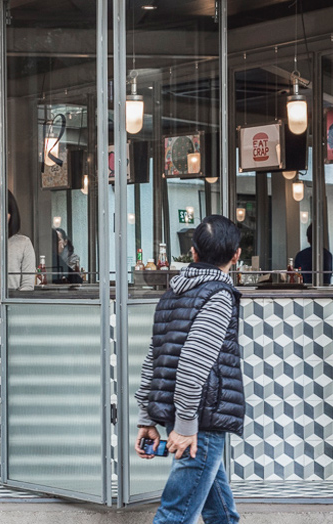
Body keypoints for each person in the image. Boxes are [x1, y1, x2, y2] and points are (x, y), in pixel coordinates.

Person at [135, 214, 244, 524]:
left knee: (221, 514)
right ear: (236, 256)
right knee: (175, 516)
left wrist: (147, 417)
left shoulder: (171, 294)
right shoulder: (219, 295)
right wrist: (185, 427)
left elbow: (153, 359)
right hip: (200, 420)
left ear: (193, 253)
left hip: (185, 416)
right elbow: (193, 365)